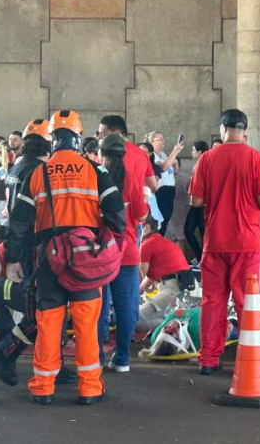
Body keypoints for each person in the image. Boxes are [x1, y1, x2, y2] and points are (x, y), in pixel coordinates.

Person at [5, 109, 126, 405]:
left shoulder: (37, 173)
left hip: (48, 258)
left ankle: (42, 387)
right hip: (84, 256)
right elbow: (118, 218)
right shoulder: (96, 171)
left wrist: (13, 259)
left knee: (48, 322)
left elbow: (19, 223)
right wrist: (103, 240)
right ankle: (90, 388)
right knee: (86, 324)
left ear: (52, 140)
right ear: (78, 137)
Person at [188, 109, 260, 375]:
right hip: (247, 243)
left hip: (214, 243)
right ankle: (247, 362)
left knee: (212, 302)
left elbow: (196, 202)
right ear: (244, 130)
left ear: (223, 129)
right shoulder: (255, 158)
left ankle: (208, 360)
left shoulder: (206, 159)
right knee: (246, 303)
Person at [97, 134, 149, 373]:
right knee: (125, 307)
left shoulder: (94, 178)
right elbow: (140, 216)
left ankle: (94, 358)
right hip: (126, 251)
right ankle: (123, 360)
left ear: (101, 153)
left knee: (97, 307)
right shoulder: (132, 181)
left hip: (98, 251)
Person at [136, 218, 191, 333]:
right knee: (139, 315)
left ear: (147, 228)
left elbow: (139, 276)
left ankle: (173, 323)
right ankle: (172, 320)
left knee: (134, 321)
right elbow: (152, 276)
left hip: (172, 288)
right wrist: (140, 289)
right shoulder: (159, 242)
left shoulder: (146, 245)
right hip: (182, 289)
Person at [98, 115, 157, 195]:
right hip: (139, 205)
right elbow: (153, 186)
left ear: (117, 132)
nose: (100, 137)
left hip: (114, 204)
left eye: (103, 134)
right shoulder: (142, 153)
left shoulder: (106, 152)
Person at [148, 131, 182, 235]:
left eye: (163, 139)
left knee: (165, 221)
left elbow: (173, 168)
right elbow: (162, 168)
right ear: (152, 141)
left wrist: (174, 161)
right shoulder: (152, 155)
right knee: (159, 222)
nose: (163, 142)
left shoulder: (163, 154)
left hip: (169, 191)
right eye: (159, 139)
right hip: (160, 191)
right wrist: (175, 152)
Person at [183, 141, 209, 263]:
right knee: (188, 231)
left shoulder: (208, 164)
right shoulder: (196, 166)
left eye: (193, 150)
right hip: (194, 203)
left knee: (204, 233)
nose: (192, 152)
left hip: (204, 204)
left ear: (200, 152)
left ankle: (204, 260)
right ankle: (199, 256)